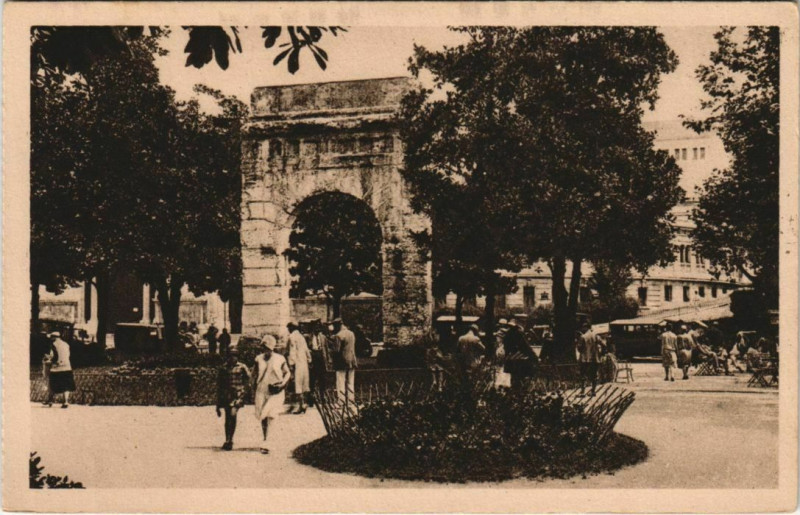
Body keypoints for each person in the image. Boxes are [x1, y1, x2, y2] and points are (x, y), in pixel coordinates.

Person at [252, 335, 291, 454]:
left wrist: (283, 384)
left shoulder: (280, 358)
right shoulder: (258, 359)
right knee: (263, 416)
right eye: (264, 347)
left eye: (268, 348)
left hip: (275, 390)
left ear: (272, 347)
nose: (266, 350)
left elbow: (287, 373)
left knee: (271, 414)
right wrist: (252, 387)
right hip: (262, 389)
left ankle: (268, 442)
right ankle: (265, 438)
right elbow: (254, 374)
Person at [215, 347, 251, 451]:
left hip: (238, 395)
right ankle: (228, 440)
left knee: (233, 414)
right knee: (228, 417)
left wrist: (244, 393)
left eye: (235, 355)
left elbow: (248, 381)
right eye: (231, 355)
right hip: (227, 395)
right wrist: (218, 404)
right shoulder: (223, 368)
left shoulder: (242, 367)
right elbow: (220, 385)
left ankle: (230, 439)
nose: (233, 358)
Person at [503, 317, 537, 388]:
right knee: (521, 378)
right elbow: (525, 347)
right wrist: (534, 356)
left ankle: (514, 390)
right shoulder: (518, 333)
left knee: (514, 378)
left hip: (510, 358)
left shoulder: (507, 333)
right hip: (519, 358)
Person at [286, 321, 312, 414]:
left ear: (291, 328)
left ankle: (301, 405)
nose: (288, 330)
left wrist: (291, 364)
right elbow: (306, 350)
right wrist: (309, 359)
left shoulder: (292, 337)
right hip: (304, 363)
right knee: (304, 384)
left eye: (289, 328)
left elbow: (292, 351)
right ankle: (303, 404)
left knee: (298, 384)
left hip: (297, 363)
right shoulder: (301, 337)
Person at [44, 332, 74, 408]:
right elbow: (68, 355)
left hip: (56, 368)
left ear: (54, 337)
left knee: (52, 384)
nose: (50, 339)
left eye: (51, 337)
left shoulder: (53, 345)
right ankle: (66, 401)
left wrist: (49, 359)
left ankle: (50, 400)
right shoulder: (66, 344)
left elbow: (54, 356)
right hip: (67, 367)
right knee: (66, 386)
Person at [331, 318, 357, 408]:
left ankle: (341, 401)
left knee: (340, 381)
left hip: (341, 361)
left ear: (338, 325)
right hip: (352, 360)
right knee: (350, 381)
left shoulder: (339, 335)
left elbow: (336, 350)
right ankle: (351, 401)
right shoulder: (351, 333)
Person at [577, 323, 601, 396]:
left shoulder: (583, 337)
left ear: (586, 327)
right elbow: (603, 345)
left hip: (585, 359)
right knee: (594, 375)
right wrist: (599, 354)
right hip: (595, 358)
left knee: (583, 375)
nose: (582, 329)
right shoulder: (596, 336)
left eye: (583, 327)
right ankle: (593, 391)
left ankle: (583, 392)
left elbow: (579, 348)